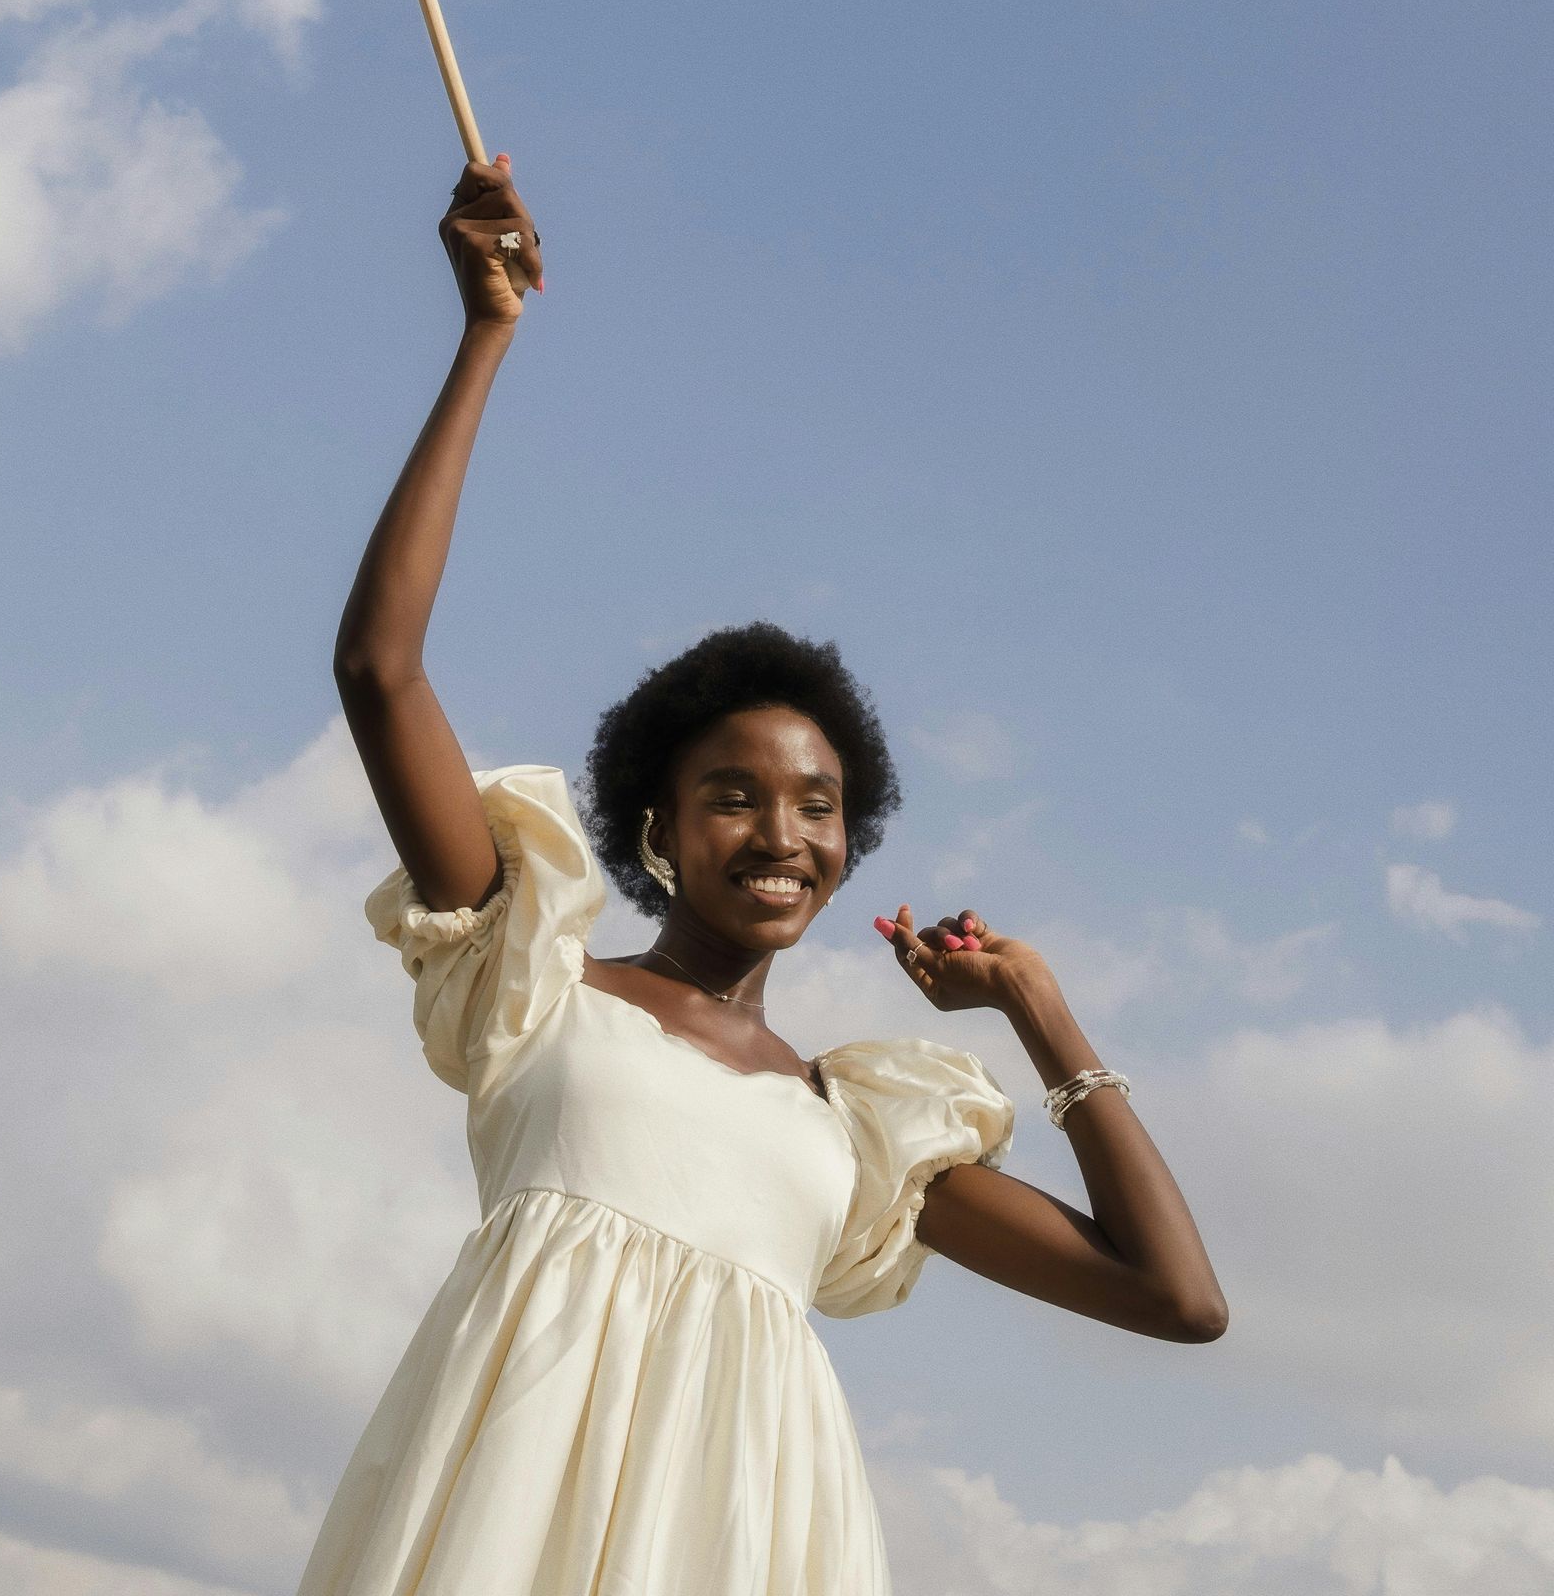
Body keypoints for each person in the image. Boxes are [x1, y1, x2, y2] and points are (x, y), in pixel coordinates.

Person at [298, 159, 1226, 1596]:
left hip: (743, 1545)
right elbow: (380, 670)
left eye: (818, 806)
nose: (781, 833)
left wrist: (1039, 1007)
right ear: (658, 824)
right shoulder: (536, 979)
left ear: (848, 849)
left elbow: (1178, 1301)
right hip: (507, 1509)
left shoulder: (853, 1130)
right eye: (734, 795)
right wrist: (486, 338)